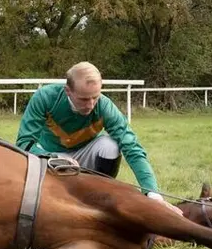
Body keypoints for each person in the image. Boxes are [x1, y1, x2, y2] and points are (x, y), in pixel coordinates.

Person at [16, 61, 180, 215]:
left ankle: (100, 196)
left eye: (95, 97)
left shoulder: (105, 106)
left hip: (84, 154)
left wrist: (153, 194)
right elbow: (24, 143)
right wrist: (53, 158)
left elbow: (132, 147)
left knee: (110, 145)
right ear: (68, 91)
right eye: (83, 99)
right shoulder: (45, 97)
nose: (90, 105)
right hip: (51, 156)